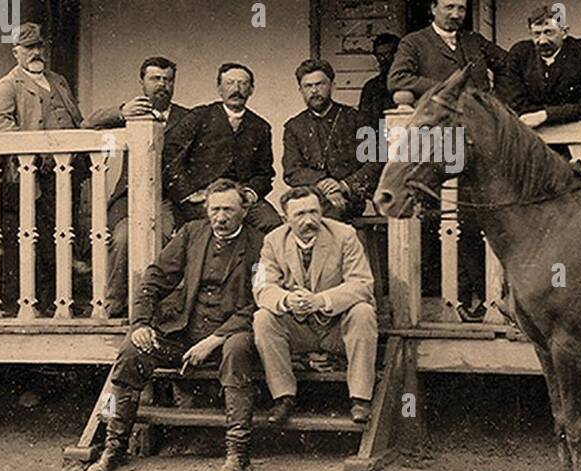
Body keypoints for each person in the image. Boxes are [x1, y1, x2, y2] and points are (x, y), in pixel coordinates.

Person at [85, 180, 266, 471]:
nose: (221, 217)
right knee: (132, 351)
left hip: (229, 335)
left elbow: (261, 302)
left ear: (244, 210)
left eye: (229, 210)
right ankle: (113, 448)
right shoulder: (191, 234)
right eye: (215, 209)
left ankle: (236, 453)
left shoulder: (260, 244)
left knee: (237, 349)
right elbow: (154, 279)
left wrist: (214, 340)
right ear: (206, 209)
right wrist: (140, 324)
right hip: (184, 333)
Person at [385, 0, 505, 319]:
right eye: (449, 7)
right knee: (448, 220)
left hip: (477, 142)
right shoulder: (415, 42)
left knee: (476, 217)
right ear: (433, 9)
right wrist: (447, 92)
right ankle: (464, 300)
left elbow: (507, 65)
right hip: (440, 143)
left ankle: (485, 297)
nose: (456, 14)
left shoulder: (474, 41)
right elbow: (398, 80)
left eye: (461, 9)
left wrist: (499, 103)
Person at [253, 186, 379, 424]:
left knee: (363, 311)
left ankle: (360, 399)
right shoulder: (273, 241)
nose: (308, 220)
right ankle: (284, 396)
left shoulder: (345, 235)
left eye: (313, 212)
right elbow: (261, 287)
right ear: (286, 218)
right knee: (263, 318)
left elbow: (362, 284)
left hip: (336, 328)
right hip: (300, 330)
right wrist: (287, 300)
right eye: (299, 214)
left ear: (321, 211)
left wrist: (320, 300)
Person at [0, 21, 86, 311]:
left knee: (68, 231)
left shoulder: (58, 80)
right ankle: (45, 300)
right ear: (16, 52)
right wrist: (34, 146)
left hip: (68, 170)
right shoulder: (9, 84)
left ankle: (65, 298)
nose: (36, 53)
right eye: (29, 48)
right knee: (43, 236)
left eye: (39, 46)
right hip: (35, 175)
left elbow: (75, 119)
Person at [84, 57, 192, 317]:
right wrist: (122, 111)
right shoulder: (132, 112)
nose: (162, 85)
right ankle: (114, 303)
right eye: (155, 79)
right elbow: (88, 124)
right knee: (122, 237)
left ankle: (149, 306)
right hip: (129, 196)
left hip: (166, 198)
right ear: (142, 82)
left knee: (160, 237)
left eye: (168, 80)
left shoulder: (187, 118)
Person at [164, 62, 282, 232]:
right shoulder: (199, 117)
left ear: (251, 90)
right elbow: (171, 157)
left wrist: (250, 193)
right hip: (202, 198)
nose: (236, 89)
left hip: (241, 198)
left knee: (272, 223)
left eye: (243, 84)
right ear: (219, 89)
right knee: (207, 228)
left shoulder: (260, 126)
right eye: (230, 83)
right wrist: (189, 193)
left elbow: (264, 173)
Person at [282, 58, 383, 221]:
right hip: (312, 195)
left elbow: (375, 162)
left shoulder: (357, 119)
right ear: (300, 90)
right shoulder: (294, 126)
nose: (314, 91)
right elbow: (291, 170)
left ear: (332, 85)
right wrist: (322, 184)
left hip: (349, 197)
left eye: (320, 84)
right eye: (308, 86)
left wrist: (343, 186)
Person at [497, 5, 581, 157]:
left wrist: (545, 115)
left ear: (564, 32)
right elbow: (515, 105)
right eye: (536, 34)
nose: (542, 40)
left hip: (578, 147)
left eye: (549, 32)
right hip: (533, 146)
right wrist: (565, 112)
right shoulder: (520, 54)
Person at [357, 31, 401, 125]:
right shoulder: (371, 87)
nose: (383, 59)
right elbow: (364, 122)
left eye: (387, 54)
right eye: (379, 55)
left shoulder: (409, 83)